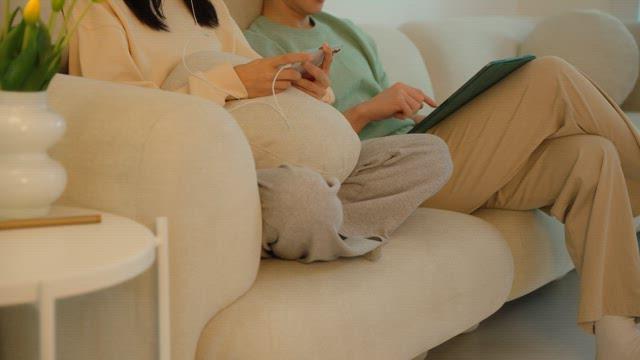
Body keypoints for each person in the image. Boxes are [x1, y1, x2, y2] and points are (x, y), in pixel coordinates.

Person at [244, 0, 640, 358]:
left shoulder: (348, 32)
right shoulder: (257, 47)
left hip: (424, 152)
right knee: (550, 75)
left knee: (592, 154)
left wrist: (411, 112)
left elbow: (395, 119)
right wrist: (366, 111)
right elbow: (299, 149)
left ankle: (618, 337)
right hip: (382, 177)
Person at [68, 0, 453, 262]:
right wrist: (229, 82)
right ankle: (318, 223)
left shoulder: (207, 6)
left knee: (427, 155)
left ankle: (312, 230)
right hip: (216, 169)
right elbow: (121, 118)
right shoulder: (98, 9)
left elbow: (264, 79)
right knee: (301, 197)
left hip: (267, 152)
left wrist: (314, 90)